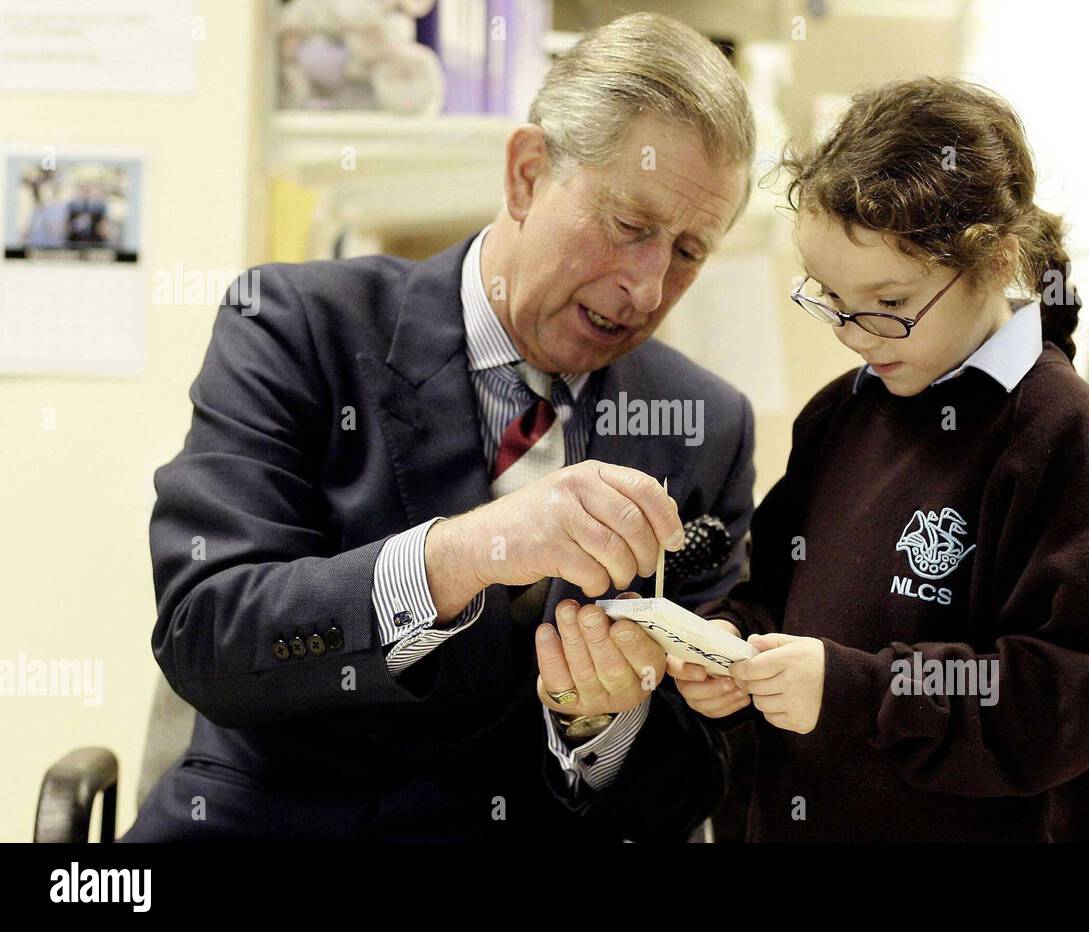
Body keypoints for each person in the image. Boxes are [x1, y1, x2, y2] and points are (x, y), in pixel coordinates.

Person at [123, 12, 756, 842]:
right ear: (528, 174)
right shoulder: (294, 325)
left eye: (687, 252)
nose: (645, 286)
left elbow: (696, 786)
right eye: (629, 226)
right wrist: (462, 554)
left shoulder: (705, 423)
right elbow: (208, 631)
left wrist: (602, 727)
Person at [667, 78, 1089, 841]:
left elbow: (1060, 699)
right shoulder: (838, 415)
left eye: (890, 304)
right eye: (829, 297)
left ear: (994, 262)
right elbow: (771, 596)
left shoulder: (1064, 436)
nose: (855, 334)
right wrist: (726, 643)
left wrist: (859, 691)